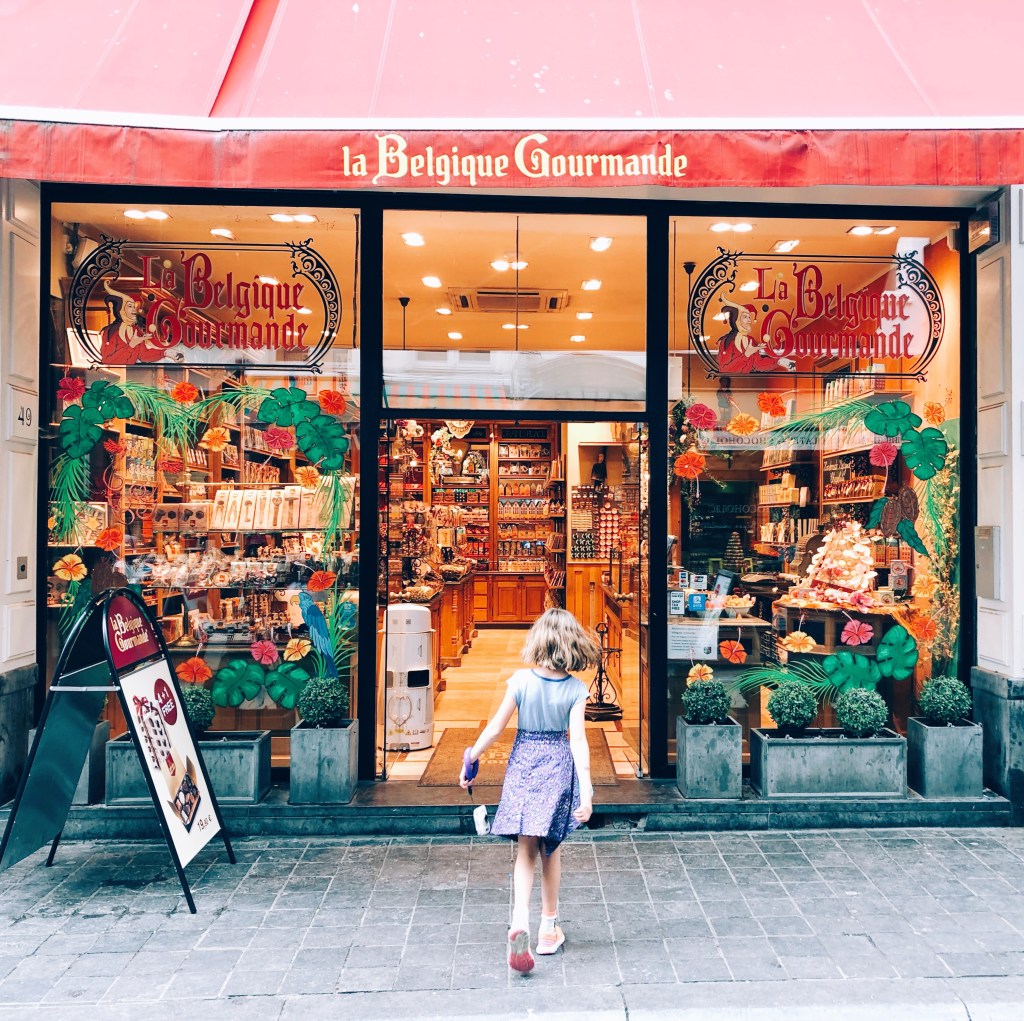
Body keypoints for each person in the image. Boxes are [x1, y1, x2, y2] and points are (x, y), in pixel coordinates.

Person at [459, 607, 600, 974]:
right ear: (573, 644)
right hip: (556, 764)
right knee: (551, 847)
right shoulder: (575, 689)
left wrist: (471, 760)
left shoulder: (520, 682)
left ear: (537, 640)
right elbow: (579, 745)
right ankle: (548, 927)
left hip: (524, 763)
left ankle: (519, 919)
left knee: (526, 848)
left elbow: (494, 728)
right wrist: (587, 792)